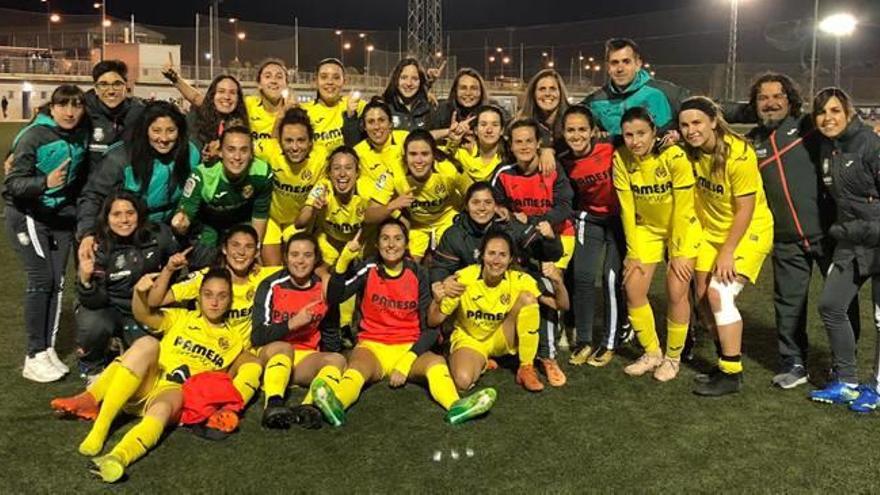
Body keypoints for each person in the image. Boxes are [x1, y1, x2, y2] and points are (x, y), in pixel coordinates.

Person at [60, 268, 251, 483]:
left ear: (230, 300)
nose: (214, 302)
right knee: (147, 344)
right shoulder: (181, 317)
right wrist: (140, 294)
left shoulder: (235, 340)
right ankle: (100, 428)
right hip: (142, 382)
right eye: (208, 294)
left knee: (167, 403)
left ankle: (117, 457)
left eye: (222, 296)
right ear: (199, 296)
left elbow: (245, 368)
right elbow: (144, 315)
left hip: (171, 394)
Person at [736, 73, 858, 389]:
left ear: (790, 100)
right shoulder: (751, 143)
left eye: (778, 96)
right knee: (788, 304)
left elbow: (846, 133)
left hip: (829, 235)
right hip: (786, 240)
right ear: (755, 104)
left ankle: (844, 363)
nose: (771, 103)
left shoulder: (808, 128)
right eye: (763, 98)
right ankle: (794, 362)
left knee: (842, 303)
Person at [311, 218, 497, 426]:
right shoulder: (369, 267)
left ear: (406, 244)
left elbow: (431, 329)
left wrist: (407, 360)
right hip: (373, 345)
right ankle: (336, 405)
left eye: (397, 238)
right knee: (356, 368)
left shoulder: (418, 273)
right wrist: (344, 261)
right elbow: (336, 296)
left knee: (436, 363)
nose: (391, 244)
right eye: (385, 238)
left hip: (408, 347)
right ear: (377, 244)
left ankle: (457, 407)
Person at [678, 96, 774, 396]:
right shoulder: (690, 152)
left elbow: (745, 209)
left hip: (748, 232)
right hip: (711, 233)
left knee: (720, 293)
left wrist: (728, 252)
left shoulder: (739, 153)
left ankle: (732, 373)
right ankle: (724, 360)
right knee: (703, 299)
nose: (691, 130)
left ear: (713, 121)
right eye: (684, 125)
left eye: (697, 122)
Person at [4, 85, 89, 383]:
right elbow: (11, 184)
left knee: (58, 282)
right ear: (50, 108)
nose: (70, 111)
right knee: (41, 279)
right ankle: (33, 353)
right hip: (28, 214)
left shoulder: (81, 132)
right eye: (63, 105)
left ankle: (46, 350)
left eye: (76, 105)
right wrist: (45, 182)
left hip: (59, 217)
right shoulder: (33, 136)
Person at [613, 107, 701, 381]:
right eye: (629, 135)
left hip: (681, 227)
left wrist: (676, 252)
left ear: (654, 132)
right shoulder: (620, 158)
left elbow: (685, 207)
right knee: (633, 287)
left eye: (641, 133)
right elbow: (627, 208)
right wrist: (633, 252)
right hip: (646, 229)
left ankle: (673, 358)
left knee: (677, 290)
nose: (635, 141)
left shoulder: (674, 155)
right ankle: (652, 352)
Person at [807, 88, 880, 413]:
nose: (828, 118)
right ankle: (848, 382)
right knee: (831, 305)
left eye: (835, 110)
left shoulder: (870, 144)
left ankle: (877, 388)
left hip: (878, 240)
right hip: (850, 242)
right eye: (822, 112)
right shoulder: (827, 146)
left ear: (849, 112)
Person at [429, 230, 569, 392]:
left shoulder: (519, 280)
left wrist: (558, 283)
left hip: (502, 336)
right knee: (462, 382)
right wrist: (437, 300)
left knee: (528, 299)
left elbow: (561, 305)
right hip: (470, 339)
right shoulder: (464, 278)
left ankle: (526, 367)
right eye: (491, 254)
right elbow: (433, 320)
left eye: (502, 255)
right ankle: (481, 361)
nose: (496, 260)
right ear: (482, 256)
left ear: (510, 259)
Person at [491, 117, 574, 385]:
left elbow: (564, 205)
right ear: (511, 146)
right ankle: (513, 349)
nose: (524, 146)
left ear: (539, 143)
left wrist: (538, 223)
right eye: (518, 142)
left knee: (549, 286)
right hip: (524, 238)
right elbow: (494, 203)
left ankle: (548, 356)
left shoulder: (552, 168)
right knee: (522, 288)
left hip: (557, 236)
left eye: (529, 140)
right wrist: (511, 217)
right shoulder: (504, 172)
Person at [77, 101, 200, 259]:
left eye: (171, 131)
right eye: (156, 131)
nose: (163, 138)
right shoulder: (120, 158)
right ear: (145, 130)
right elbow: (92, 195)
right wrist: (88, 233)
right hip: (128, 231)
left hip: (170, 232)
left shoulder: (192, 153)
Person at [75, 192, 178, 379]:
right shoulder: (97, 246)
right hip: (109, 307)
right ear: (106, 218)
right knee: (94, 324)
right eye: (116, 214)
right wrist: (85, 281)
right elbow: (94, 301)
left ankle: (121, 342)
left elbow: (177, 271)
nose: (124, 220)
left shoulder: (159, 235)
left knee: (153, 360)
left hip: (146, 308)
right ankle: (92, 365)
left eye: (130, 213)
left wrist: (162, 290)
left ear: (139, 214)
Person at [250, 233, 346, 428]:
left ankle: (309, 407)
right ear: (285, 257)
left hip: (303, 358)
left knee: (338, 360)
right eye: (294, 254)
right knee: (284, 348)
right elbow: (258, 335)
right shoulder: (271, 285)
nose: (300, 261)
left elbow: (330, 329)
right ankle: (274, 403)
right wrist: (292, 323)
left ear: (315, 258)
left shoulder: (322, 288)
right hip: (271, 354)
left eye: (307, 255)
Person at [559, 105, 629, 368]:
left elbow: (640, 135)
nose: (576, 135)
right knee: (582, 277)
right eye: (570, 130)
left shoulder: (611, 146)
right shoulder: (564, 160)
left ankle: (610, 342)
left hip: (620, 221)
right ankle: (584, 339)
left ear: (593, 131)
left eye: (581, 129)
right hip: (589, 220)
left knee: (610, 279)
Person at [171, 126, 273, 269]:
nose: (237, 157)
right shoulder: (203, 175)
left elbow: (260, 214)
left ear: (251, 154)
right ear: (220, 152)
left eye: (244, 150)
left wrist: (255, 249)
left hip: (241, 221)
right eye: (230, 150)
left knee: (247, 262)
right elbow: (185, 213)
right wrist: (180, 224)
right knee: (203, 261)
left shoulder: (262, 173)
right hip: (210, 224)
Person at [364, 129, 472, 262]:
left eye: (425, 154)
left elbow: (474, 194)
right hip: (417, 225)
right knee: (408, 265)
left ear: (433, 156)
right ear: (405, 156)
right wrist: (392, 206)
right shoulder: (394, 171)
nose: (419, 160)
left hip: (447, 218)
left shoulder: (449, 169)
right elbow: (368, 215)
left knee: (451, 258)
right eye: (413, 154)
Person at [430, 181, 563, 285]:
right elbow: (441, 268)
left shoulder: (509, 226)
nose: (482, 208)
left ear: (495, 206)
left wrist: (550, 239)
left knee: (544, 286)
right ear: (466, 206)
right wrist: (444, 282)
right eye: (476, 203)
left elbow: (549, 255)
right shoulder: (455, 234)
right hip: (471, 292)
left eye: (488, 202)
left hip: (509, 288)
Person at [254, 107, 329, 265]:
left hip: (298, 221)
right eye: (288, 141)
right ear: (279, 141)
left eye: (301, 140)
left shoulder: (321, 157)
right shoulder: (267, 149)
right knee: (272, 268)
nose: (294, 147)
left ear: (310, 142)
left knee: (296, 266)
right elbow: (239, 149)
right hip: (271, 219)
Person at [581, 38, 688, 142]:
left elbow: (699, 120)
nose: (620, 69)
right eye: (614, 63)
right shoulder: (594, 101)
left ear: (638, 64)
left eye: (626, 62)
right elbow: (572, 124)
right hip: (618, 159)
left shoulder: (666, 92)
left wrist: (680, 137)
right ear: (608, 67)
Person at [295, 146, 371, 267]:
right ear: (329, 173)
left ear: (357, 173)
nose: (342, 174)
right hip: (330, 245)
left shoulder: (367, 189)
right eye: (336, 168)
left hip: (360, 246)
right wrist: (312, 209)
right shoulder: (324, 188)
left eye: (348, 168)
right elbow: (299, 223)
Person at [83, 60, 146, 167]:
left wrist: (177, 82)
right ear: (96, 89)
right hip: (93, 183)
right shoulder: (82, 114)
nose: (111, 91)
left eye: (117, 84)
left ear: (126, 86)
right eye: (103, 84)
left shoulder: (140, 114)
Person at [301, 58, 367, 151]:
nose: (330, 82)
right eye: (324, 77)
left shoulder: (356, 105)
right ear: (315, 81)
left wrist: (351, 117)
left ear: (344, 81)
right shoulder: (303, 111)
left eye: (336, 77)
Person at [352, 98, 409, 200]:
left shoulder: (404, 139)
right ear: (364, 127)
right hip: (385, 209)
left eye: (381, 120)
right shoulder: (358, 153)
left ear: (390, 123)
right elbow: (368, 192)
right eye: (371, 122)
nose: (376, 126)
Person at [187, 75, 249, 163]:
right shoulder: (194, 120)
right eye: (221, 91)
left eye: (232, 92)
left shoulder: (243, 126)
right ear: (213, 95)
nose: (227, 97)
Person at [445, 104, 507, 182]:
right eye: (483, 125)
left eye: (495, 125)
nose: (489, 130)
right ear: (476, 130)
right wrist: (453, 140)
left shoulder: (510, 158)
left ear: (502, 130)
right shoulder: (463, 155)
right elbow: (444, 165)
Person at [519, 69, 570, 152]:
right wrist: (543, 151)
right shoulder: (522, 122)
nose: (547, 94)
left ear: (560, 93)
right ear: (533, 94)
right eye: (542, 89)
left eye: (552, 89)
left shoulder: (575, 119)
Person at [381, 57, 436, 132]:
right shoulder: (383, 107)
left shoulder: (429, 108)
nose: (409, 83)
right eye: (404, 78)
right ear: (396, 79)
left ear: (420, 82)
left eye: (414, 79)